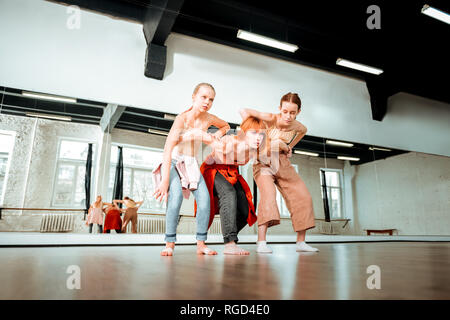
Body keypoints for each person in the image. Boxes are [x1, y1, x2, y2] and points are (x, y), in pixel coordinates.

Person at [153, 83, 230, 256]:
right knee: (176, 197)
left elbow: (225, 126)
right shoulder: (182, 118)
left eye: (211, 99)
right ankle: (169, 243)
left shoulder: (208, 118)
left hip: (191, 163)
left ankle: (201, 244)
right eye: (204, 97)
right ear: (194, 96)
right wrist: (165, 181)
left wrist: (215, 136)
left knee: (205, 201)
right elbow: (167, 149)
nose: (207, 102)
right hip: (173, 161)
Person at [240, 92, 319, 253]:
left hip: (282, 161)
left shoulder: (299, 127)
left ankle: (301, 242)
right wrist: (251, 134)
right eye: (285, 111)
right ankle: (261, 242)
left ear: (298, 112)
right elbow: (244, 111)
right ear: (279, 109)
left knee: (303, 196)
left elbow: (300, 134)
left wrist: (290, 147)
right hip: (263, 161)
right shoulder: (270, 117)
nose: (288, 116)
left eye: (292, 112)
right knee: (268, 196)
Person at [196, 116, 266, 255]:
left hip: (231, 172)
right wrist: (213, 137)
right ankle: (230, 243)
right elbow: (211, 143)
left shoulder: (254, 150)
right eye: (254, 133)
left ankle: (229, 235)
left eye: (261, 134)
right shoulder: (231, 141)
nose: (258, 137)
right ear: (244, 133)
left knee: (246, 210)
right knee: (228, 193)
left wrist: (287, 148)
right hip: (213, 169)